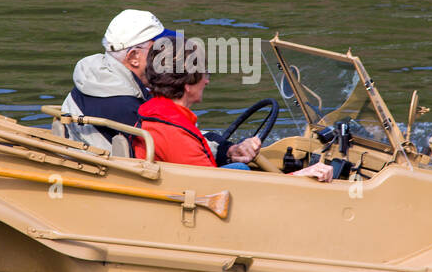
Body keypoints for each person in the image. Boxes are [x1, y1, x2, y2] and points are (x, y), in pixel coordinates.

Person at [133, 37, 334, 181]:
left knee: (239, 167)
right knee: (241, 170)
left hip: (181, 185)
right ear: (187, 84)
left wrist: (230, 152)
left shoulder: (153, 113)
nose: (207, 81)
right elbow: (213, 188)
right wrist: (299, 177)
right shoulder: (175, 132)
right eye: (205, 73)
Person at [60, 9, 174, 155]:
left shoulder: (93, 79)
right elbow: (173, 153)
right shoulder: (126, 107)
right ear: (133, 57)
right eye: (159, 48)